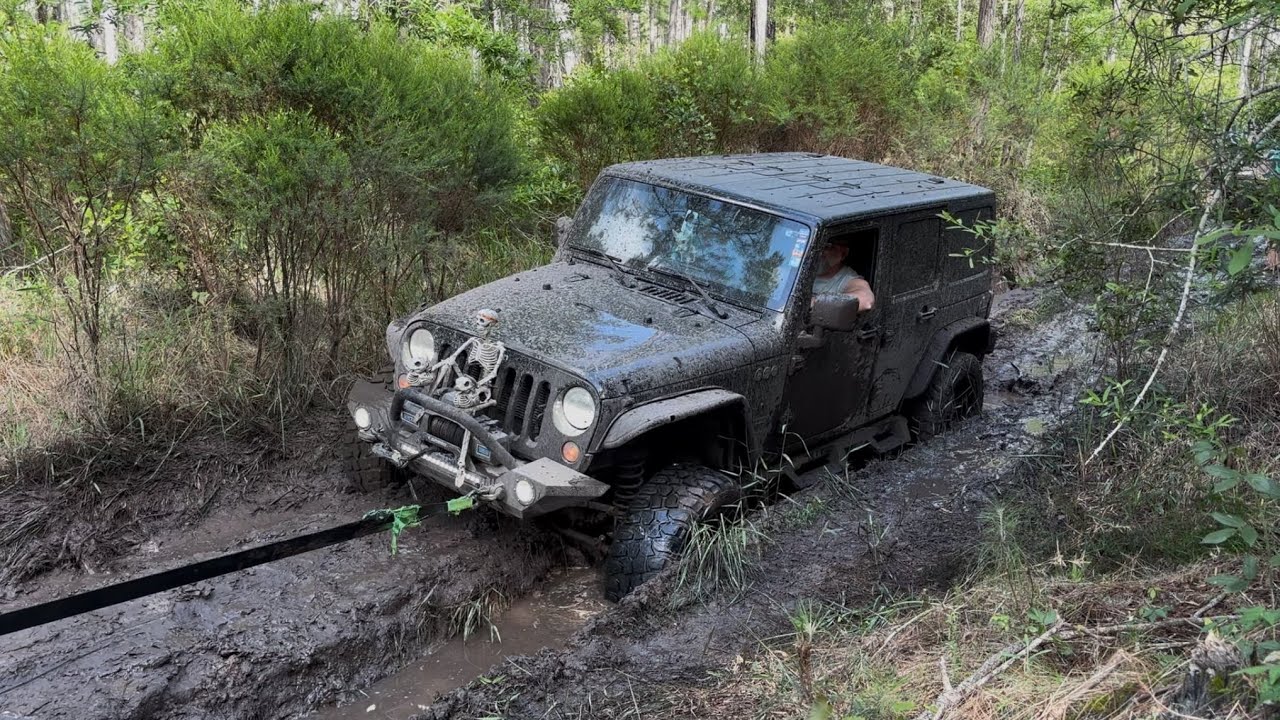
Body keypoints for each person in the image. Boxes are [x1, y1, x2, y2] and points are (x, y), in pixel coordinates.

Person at [812, 241, 875, 311]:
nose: (820, 252)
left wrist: (813, 302)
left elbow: (865, 300)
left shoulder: (848, 278)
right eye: (817, 247)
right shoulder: (804, 269)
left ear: (844, 253)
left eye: (828, 247)